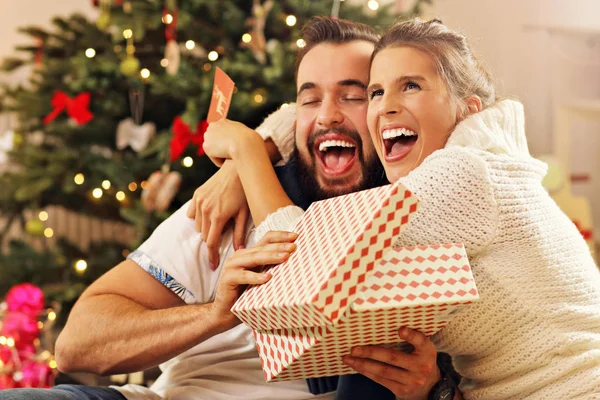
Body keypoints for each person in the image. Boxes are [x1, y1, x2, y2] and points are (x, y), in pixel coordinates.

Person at [2, 17, 432, 400]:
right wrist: (214, 315)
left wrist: (431, 387)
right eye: (309, 99)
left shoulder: (424, 217)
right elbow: (76, 344)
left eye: (354, 96)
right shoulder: (226, 207)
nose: (327, 117)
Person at [203, 18, 600, 400]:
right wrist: (276, 132)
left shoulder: (464, 173)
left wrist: (248, 151)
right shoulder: (487, 160)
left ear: (468, 108)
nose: (385, 107)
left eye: (410, 86)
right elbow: (330, 114)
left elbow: (306, 267)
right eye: (374, 93)